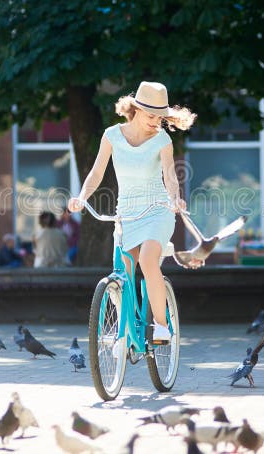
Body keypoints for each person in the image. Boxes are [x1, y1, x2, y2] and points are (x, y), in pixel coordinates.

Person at [68, 81, 196, 343]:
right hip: (126, 213)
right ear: (136, 109)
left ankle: (161, 326)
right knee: (123, 273)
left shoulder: (162, 139)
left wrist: (175, 199)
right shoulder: (111, 135)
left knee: (148, 261)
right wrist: (82, 198)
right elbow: (96, 173)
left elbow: (170, 176)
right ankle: (123, 328)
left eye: (160, 117)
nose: (155, 122)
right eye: (151, 116)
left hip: (157, 210)